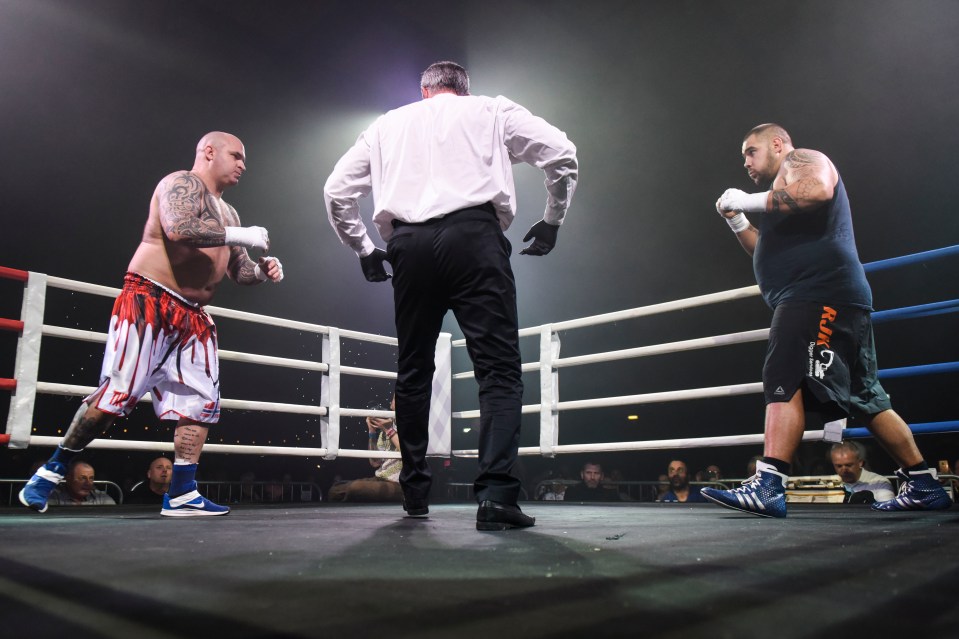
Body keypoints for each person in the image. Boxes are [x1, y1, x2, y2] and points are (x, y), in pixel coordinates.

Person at [324, 61, 578, 531]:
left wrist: (363, 249)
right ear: (464, 90)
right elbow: (562, 152)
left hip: (409, 246)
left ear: (424, 92)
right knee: (498, 370)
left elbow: (337, 190)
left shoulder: (386, 125)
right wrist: (552, 219)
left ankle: (414, 495)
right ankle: (497, 497)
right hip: (474, 238)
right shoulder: (492, 111)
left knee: (414, 370)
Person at [19, 131, 284, 517]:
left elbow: (238, 271)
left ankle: (181, 493)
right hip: (149, 299)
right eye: (237, 155)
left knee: (201, 403)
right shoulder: (179, 183)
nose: (243, 164)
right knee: (117, 396)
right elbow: (180, 229)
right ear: (209, 152)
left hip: (193, 317)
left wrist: (261, 271)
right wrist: (239, 234)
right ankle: (51, 470)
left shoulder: (230, 214)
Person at [701, 123, 950, 518]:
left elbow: (817, 189)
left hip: (817, 292)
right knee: (864, 397)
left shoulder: (805, 160)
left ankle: (769, 484)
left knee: (783, 375)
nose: (745, 161)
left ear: (778, 145)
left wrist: (750, 199)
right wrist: (737, 219)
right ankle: (923, 483)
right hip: (830, 295)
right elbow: (764, 250)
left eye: (751, 151)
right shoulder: (778, 201)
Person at [328, 396, 403, 502]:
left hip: (400, 483)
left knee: (356, 488)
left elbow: (408, 452)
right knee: (335, 489)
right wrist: (372, 432)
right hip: (381, 479)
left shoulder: (409, 426)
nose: (391, 403)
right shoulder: (384, 429)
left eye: (394, 399)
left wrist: (389, 429)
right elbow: (375, 462)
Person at [829, 441, 895, 503]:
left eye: (848, 465)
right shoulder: (827, 484)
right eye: (839, 466)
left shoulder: (879, 483)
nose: (844, 469)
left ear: (860, 462)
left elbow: (886, 512)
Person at [46, 460, 116, 506]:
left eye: (91, 478)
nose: (88, 483)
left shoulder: (101, 498)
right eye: (82, 478)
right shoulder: (54, 497)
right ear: (68, 479)